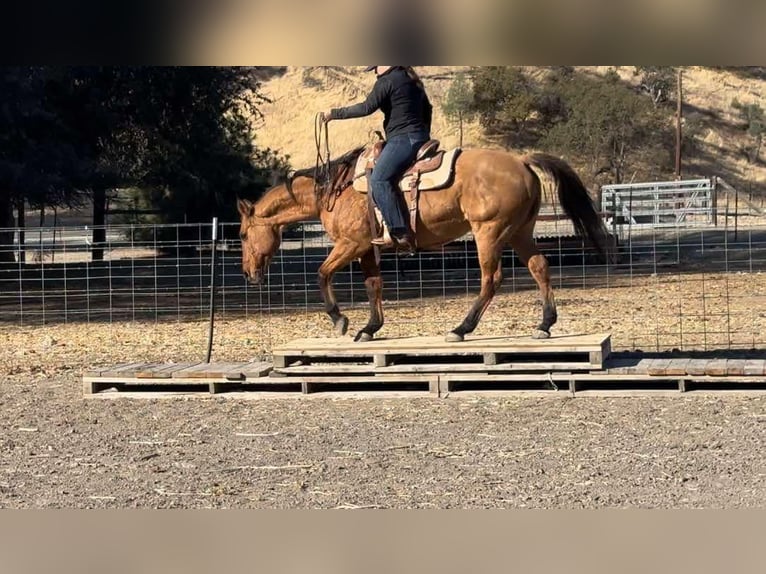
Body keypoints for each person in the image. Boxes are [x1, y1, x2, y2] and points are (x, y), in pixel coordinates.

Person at [322, 66, 433, 252]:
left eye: (376, 67)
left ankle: (399, 232)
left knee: (379, 179)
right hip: (419, 137)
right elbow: (428, 109)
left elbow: (367, 107)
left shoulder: (387, 81)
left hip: (402, 139)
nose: (374, 71)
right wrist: (424, 133)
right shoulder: (412, 79)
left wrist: (334, 114)